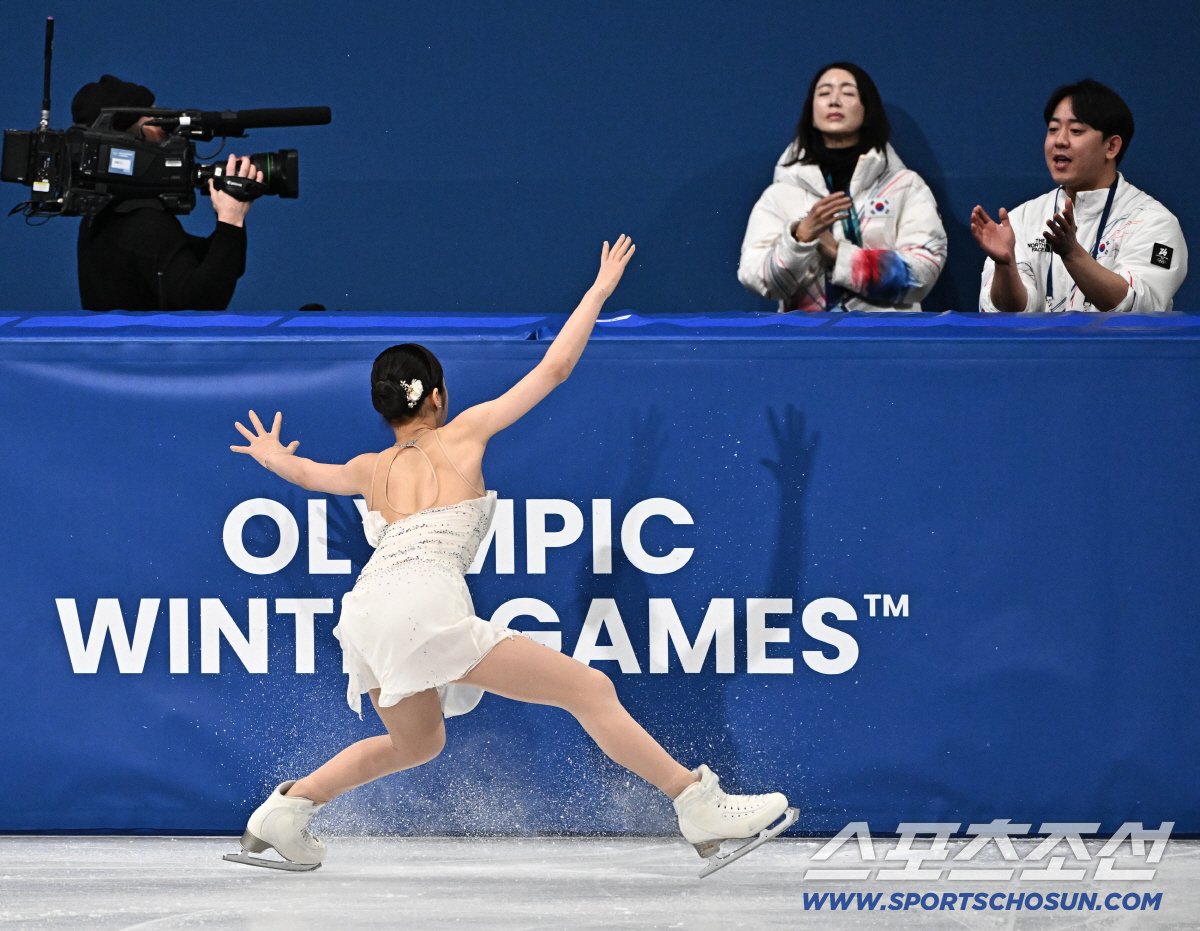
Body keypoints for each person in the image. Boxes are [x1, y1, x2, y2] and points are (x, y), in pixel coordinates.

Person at [226, 236, 795, 872]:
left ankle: (287, 809)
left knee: (415, 744)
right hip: (422, 605)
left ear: (383, 409)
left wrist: (273, 456)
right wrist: (600, 291)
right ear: (436, 396)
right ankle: (695, 803)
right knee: (591, 688)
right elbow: (553, 369)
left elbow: (306, 475)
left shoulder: (367, 467)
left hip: (366, 612)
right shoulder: (464, 433)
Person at [738, 62, 947, 312]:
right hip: (807, 344)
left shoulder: (904, 187)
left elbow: (923, 273)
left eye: (847, 93)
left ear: (867, 109)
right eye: (824, 93)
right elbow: (756, 277)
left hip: (888, 343)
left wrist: (840, 254)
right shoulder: (781, 195)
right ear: (811, 113)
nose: (834, 101)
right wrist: (799, 239)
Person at [972, 79, 1187, 313]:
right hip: (1040, 350)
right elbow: (1008, 315)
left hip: (1120, 350)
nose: (1059, 140)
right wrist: (1006, 267)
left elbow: (1141, 306)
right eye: (1053, 129)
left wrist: (1073, 254)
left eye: (1075, 131)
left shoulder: (1155, 223)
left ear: (1112, 147)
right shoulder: (1021, 220)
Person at [72, 75, 262, 311]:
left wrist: (232, 218)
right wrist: (230, 219)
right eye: (152, 117)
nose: (166, 127)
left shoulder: (103, 216)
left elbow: (220, 266)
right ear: (124, 138)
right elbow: (204, 301)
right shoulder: (144, 224)